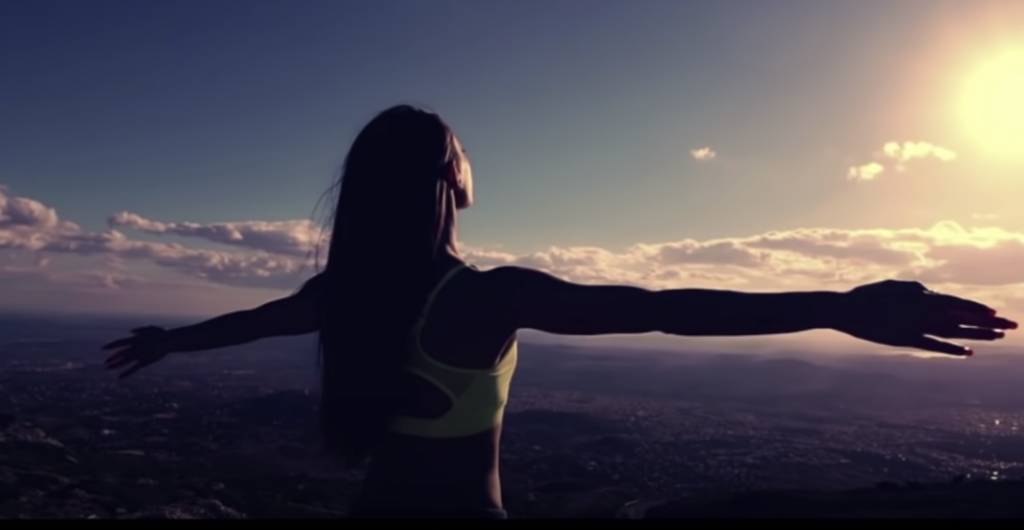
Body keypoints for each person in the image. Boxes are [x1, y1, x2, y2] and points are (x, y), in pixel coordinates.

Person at [101, 104, 1017, 519]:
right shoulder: (487, 296)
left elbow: (256, 320)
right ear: (451, 180)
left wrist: (167, 340)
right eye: (462, 152)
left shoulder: (344, 294)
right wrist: (835, 304)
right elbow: (664, 309)